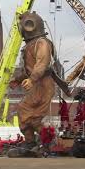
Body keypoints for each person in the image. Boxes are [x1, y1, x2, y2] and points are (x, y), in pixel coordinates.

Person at [8, 11, 56, 157]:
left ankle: (46, 142)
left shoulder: (41, 43)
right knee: (26, 113)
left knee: (29, 113)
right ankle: (33, 142)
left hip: (43, 84)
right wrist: (18, 79)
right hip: (38, 83)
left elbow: (41, 64)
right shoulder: (31, 45)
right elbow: (29, 68)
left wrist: (32, 79)